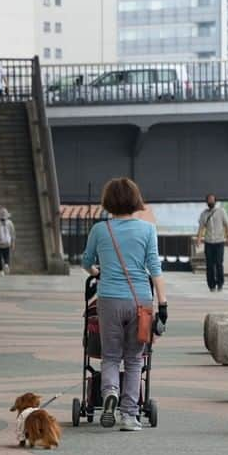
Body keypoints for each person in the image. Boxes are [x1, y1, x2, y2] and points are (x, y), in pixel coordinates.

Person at [81, 177, 167, 432]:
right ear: (135, 200)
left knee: (110, 356)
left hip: (108, 300)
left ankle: (109, 392)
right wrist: (163, 305)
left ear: (108, 202)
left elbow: (86, 262)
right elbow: (155, 269)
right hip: (140, 301)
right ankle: (129, 415)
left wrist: (97, 270)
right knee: (134, 359)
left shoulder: (100, 230)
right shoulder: (147, 229)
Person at [195, 194, 228, 292]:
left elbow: (227, 225)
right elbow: (201, 228)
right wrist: (198, 239)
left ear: (215, 201)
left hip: (219, 241)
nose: (210, 201)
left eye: (212, 199)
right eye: (209, 200)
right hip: (209, 242)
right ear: (207, 202)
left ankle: (220, 284)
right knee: (209, 265)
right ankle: (211, 285)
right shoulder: (204, 214)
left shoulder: (221, 212)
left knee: (219, 263)